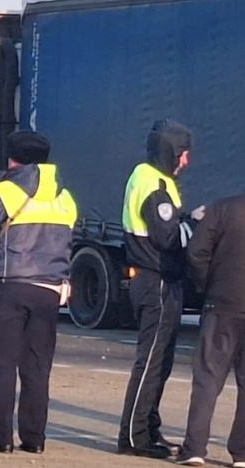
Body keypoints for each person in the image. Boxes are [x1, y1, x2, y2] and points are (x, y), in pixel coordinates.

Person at [0, 130, 77, 454]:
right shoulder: (65, 197)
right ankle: (34, 439)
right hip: (50, 289)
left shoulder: (6, 192)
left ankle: (0, 439)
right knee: (37, 367)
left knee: (1, 364)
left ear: (12, 159)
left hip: (11, 286)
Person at [117, 119, 204, 458]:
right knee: (151, 361)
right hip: (156, 281)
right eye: (184, 154)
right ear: (171, 153)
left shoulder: (152, 177)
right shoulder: (155, 185)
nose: (187, 161)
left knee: (161, 362)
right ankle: (135, 438)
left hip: (160, 280)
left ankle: (149, 428)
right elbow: (167, 238)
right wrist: (193, 223)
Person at [175, 194, 245, 467]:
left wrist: (208, 285)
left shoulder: (223, 209)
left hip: (222, 304)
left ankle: (194, 448)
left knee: (207, 379)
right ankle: (241, 452)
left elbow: (196, 251)